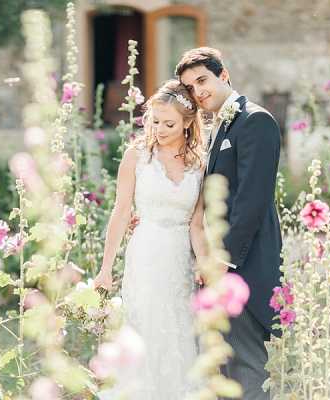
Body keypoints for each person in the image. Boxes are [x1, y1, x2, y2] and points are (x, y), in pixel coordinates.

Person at [176, 47, 282, 400]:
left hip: (243, 269)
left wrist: (221, 261)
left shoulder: (256, 120)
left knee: (246, 369)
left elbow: (251, 201)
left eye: (202, 80)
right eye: (190, 87)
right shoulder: (220, 125)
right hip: (218, 269)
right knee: (220, 369)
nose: (198, 91)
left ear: (223, 75)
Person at [93, 79, 207, 399]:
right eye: (154, 121)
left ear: (187, 123)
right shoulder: (137, 156)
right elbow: (120, 212)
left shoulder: (199, 163)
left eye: (169, 123)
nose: (159, 128)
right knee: (145, 325)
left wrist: (202, 263)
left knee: (180, 329)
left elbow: (198, 222)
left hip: (180, 256)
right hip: (145, 251)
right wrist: (105, 269)